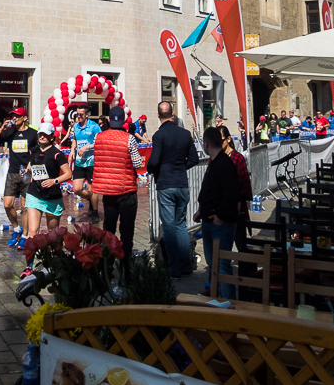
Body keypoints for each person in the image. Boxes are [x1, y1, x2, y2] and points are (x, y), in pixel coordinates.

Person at [147, 101, 200, 279]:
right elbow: (194, 158)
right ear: (173, 113)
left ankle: (174, 267)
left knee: (169, 227)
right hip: (181, 183)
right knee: (181, 225)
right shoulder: (185, 134)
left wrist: (155, 170)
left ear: (158, 115)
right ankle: (185, 265)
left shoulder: (159, 136)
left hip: (166, 183)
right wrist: (180, 167)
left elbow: (154, 161)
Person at [92, 107, 143, 278]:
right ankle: (126, 269)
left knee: (109, 230)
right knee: (126, 232)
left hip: (108, 191)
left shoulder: (99, 137)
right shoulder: (129, 139)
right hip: (126, 190)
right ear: (123, 121)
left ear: (108, 119)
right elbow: (137, 164)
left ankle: (107, 267)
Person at [193, 125, 240, 299]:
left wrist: (220, 215)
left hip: (221, 222)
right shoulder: (216, 162)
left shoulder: (225, 164)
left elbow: (231, 194)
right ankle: (216, 297)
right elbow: (212, 191)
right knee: (214, 265)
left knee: (222, 265)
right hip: (210, 218)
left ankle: (227, 303)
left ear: (205, 144)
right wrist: (201, 210)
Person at [23, 123, 71, 263]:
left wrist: (54, 181)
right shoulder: (33, 151)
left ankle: (56, 262)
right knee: (32, 232)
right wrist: (26, 172)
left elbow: (68, 174)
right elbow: (31, 167)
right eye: (40, 134)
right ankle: (29, 267)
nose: (42, 136)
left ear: (52, 137)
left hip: (52, 197)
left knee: (53, 234)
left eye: (45, 134)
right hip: (35, 194)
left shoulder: (57, 154)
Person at [0, 108, 38, 248]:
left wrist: (31, 166)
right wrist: (1, 130)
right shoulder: (10, 132)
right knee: (7, 204)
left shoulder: (32, 133)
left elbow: (36, 152)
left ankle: (24, 236)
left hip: (27, 174)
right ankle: (17, 229)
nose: (14, 118)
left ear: (24, 118)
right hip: (12, 172)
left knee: (24, 207)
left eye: (17, 116)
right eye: (13, 116)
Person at [221, 127, 251, 252]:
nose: (218, 143)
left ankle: (245, 268)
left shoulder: (237, 158)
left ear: (228, 139)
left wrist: (239, 203)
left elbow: (244, 184)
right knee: (223, 246)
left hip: (236, 207)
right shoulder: (215, 158)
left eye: (221, 140)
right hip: (220, 208)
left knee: (240, 242)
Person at [69, 106, 101, 221]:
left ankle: (95, 213)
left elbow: (99, 142)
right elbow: (74, 140)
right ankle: (92, 200)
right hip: (79, 161)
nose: (79, 117)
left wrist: (87, 147)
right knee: (76, 189)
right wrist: (72, 150)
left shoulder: (94, 126)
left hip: (92, 161)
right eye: (77, 114)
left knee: (91, 189)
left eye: (81, 114)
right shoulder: (75, 126)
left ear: (87, 115)